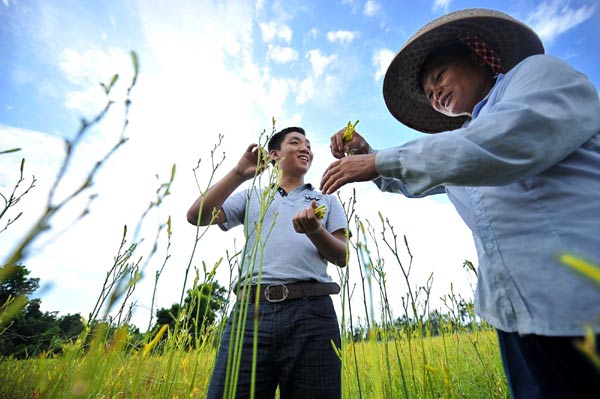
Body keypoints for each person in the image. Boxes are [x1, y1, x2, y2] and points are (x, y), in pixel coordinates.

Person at [320, 8, 600, 399]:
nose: (435, 94)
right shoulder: (463, 140)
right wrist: (369, 154)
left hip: (581, 297)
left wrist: (379, 160)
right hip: (515, 313)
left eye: (439, 77)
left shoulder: (538, 76)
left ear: (479, 54)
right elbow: (426, 174)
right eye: (430, 94)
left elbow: (503, 143)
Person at [187, 127, 348, 399]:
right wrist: (239, 174)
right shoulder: (251, 196)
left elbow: (342, 256)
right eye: (295, 142)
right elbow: (197, 215)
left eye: (308, 144)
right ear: (274, 155)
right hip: (250, 314)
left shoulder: (326, 200)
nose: (305, 148)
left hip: (312, 313)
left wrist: (314, 230)